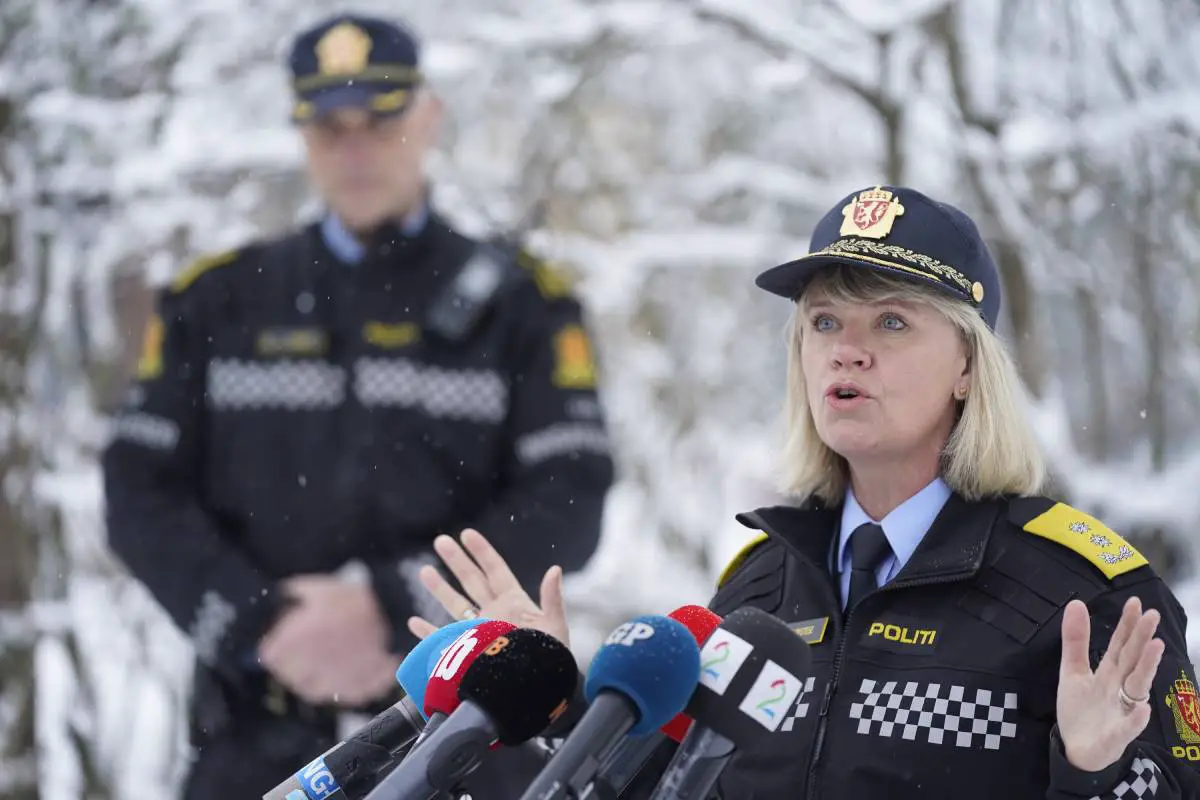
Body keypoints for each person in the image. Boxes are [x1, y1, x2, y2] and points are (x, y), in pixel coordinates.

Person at [410, 186, 1200, 799]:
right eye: (824, 323)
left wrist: (1094, 771)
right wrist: (565, 706)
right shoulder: (760, 588)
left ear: (969, 367)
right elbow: (668, 784)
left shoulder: (1081, 599)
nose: (847, 352)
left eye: (890, 323)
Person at [101, 12, 613, 799]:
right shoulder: (220, 300)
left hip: (467, 737)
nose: (356, 148)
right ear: (301, 133)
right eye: (329, 126)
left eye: (381, 120)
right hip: (254, 737)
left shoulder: (522, 306)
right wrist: (259, 622)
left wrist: (389, 605)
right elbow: (138, 484)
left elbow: (568, 497)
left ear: (428, 115)